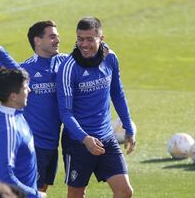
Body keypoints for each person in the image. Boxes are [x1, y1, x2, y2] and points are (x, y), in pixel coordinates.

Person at [0, 20, 69, 193]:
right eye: (52, 36)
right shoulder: (26, 69)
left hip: (53, 144)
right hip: (34, 145)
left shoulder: (64, 63)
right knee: (28, 190)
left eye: (57, 36)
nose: (57, 40)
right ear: (37, 40)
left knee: (42, 188)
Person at [56, 17, 136, 198]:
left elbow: (117, 93)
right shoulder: (68, 68)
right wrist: (85, 139)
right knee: (77, 194)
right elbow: (65, 113)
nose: (84, 44)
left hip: (106, 138)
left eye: (90, 39)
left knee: (124, 192)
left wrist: (129, 127)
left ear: (101, 38)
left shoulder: (110, 58)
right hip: (78, 142)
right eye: (80, 39)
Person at [0, 68, 46, 198]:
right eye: (26, 88)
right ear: (13, 96)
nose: (29, 90)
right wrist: (35, 195)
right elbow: (5, 177)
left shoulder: (14, 111)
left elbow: (18, 74)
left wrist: (0, 52)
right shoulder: (8, 129)